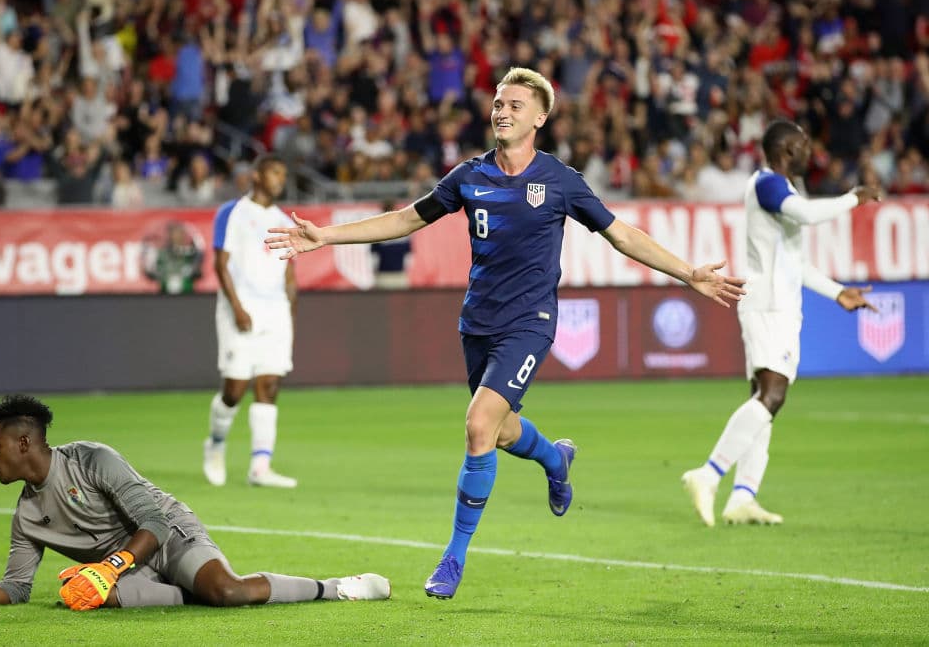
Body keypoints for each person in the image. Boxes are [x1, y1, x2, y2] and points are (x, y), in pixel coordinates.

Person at [265, 67, 746, 599]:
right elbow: (406, 219)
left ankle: (453, 558)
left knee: (477, 425)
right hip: (477, 323)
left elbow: (623, 235)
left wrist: (688, 274)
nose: (502, 111)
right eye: (498, 102)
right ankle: (554, 458)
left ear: (540, 117)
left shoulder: (560, 181)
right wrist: (325, 237)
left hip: (530, 324)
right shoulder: (469, 176)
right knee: (499, 430)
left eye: (515, 105)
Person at [0, 394, 390, 612]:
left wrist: (110, 566)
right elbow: (18, 586)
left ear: (25, 443)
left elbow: (151, 519)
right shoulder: (27, 516)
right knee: (79, 597)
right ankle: (185, 589)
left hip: (166, 533)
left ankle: (338, 587)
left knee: (225, 592)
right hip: (127, 565)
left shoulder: (93, 458)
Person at [681, 120, 882, 527]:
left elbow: (797, 264)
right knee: (773, 395)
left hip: (779, 306)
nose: (810, 151)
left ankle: (743, 496)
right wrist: (852, 199)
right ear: (787, 149)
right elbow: (807, 215)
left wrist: (837, 291)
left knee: (764, 401)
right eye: (804, 145)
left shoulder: (785, 190)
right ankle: (708, 474)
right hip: (769, 307)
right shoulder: (768, 185)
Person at [204, 155, 299, 488]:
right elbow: (220, 263)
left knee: (270, 385)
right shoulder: (232, 212)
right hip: (239, 309)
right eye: (275, 172)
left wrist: (291, 312)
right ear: (257, 175)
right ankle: (215, 444)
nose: (279, 179)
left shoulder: (283, 219)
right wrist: (238, 307)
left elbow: (289, 270)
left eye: (283, 174)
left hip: (275, 312)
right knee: (234, 390)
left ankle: (260, 466)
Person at [143, 221, 202, 294]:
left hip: (187, 294)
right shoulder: (161, 253)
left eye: (180, 233)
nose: (177, 237)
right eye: (174, 234)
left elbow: (197, 272)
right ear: (169, 235)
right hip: (164, 295)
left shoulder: (191, 253)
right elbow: (151, 273)